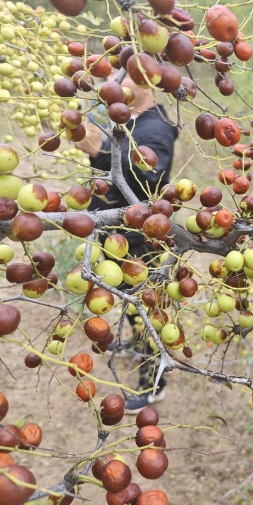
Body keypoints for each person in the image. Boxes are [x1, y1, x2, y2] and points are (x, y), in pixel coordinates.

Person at [77, 75, 179, 413]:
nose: (111, 83)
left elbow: (152, 178)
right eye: (109, 78)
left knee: (145, 305)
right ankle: (137, 344)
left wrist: (101, 152)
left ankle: (154, 384)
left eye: (119, 78)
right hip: (118, 233)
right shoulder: (129, 121)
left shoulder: (157, 128)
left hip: (139, 239)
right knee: (129, 299)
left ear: (144, 83)